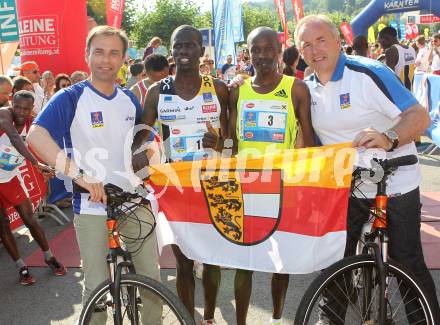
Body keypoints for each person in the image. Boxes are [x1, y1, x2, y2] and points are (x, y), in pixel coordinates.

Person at [295, 14, 440, 323]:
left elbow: (420, 117)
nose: (314, 49)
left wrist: (389, 137)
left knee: (407, 262)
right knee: (336, 262)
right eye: (306, 44)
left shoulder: (369, 73)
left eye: (321, 40)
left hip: (395, 179)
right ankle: (329, 319)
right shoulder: (307, 88)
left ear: (338, 41)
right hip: (346, 185)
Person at [27, 25, 161, 324]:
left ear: (124, 58)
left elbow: (141, 144)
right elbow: (36, 136)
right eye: (99, 51)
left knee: (152, 279)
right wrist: (79, 176)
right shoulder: (70, 97)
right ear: (87, 55)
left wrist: (152, 155)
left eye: (114, 53)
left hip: (133, 199)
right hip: (91, 205)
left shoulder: (129, 100)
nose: (106, 59)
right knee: (97, 286)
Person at [226, 27, 315, 325]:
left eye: (268, 49)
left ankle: (277, 318)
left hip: (283, 188)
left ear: (279, 52)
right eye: (256, 50)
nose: (262, 56)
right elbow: (232, 142)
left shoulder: (296, 89)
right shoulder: (237, 90)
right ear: (248, 54)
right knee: (244, 263)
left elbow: (310, 142)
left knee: (281, 262)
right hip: (246, 188)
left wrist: (308, 187)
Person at [141, 25, 229, 324]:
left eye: (190, 45)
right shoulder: (157, 92)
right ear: (170, 50)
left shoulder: (217, 88)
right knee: (183, 261)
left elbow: (234, 142)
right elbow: (140, 138)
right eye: (177, 46)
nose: (183, 51)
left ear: (201, 51)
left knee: (213, 259)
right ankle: (187, 318)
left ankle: (209, 317)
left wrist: (221, 143)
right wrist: (143, 169)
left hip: (213, 182)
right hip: (176, 187)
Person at [0, 90, 66, 285]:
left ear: (32, 109)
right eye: (18, 106)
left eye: (26, 109)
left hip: (9, 178)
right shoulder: (4, 113)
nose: (21, 111)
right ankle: (22, 267)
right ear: (12, 102)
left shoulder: (33, 123)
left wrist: (48, 165)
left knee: (30, 218)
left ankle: (49, 257)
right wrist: (36, 164)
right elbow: (13, 137)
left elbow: (45, 142)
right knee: (3, 225)